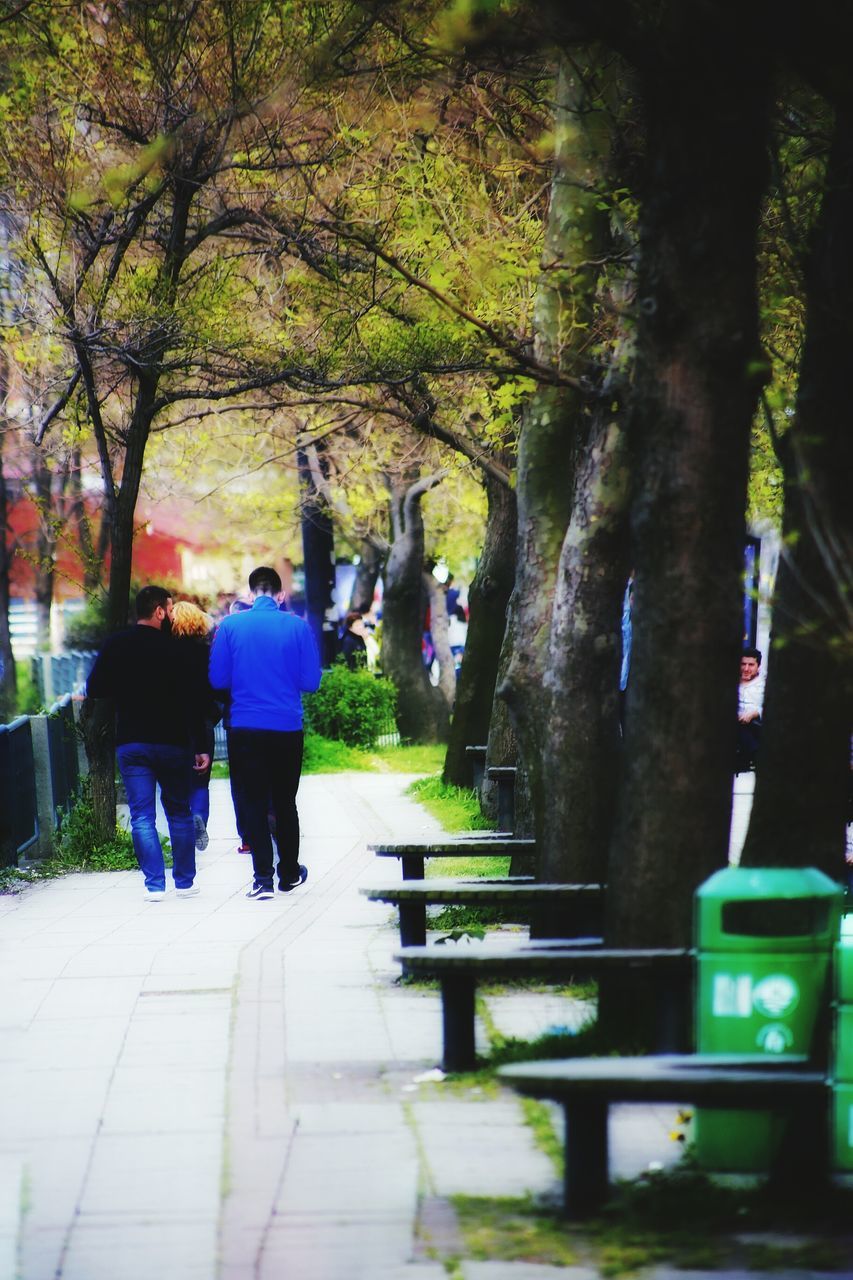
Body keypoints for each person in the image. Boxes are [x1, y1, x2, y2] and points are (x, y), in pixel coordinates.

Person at [85, 585, 210, 901]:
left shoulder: (116, 645)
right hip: (173, 742)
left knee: (142, 816)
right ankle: (184, 882)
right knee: (179, 813)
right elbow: (194, 701)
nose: (171, 614)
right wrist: (200, 746)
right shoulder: (177, 648)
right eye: (169, 609)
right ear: (158, 611)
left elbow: (96, 686)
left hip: (132, 741)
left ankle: (154, 885)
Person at [209, 565, 321, 900]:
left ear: (250, 593)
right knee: (285, 801)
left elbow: (217, 680)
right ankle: (289, 872)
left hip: (245, 726)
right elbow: (310, 682)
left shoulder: (229, 626)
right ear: (279, 593)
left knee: (253, 801)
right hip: (287, 725)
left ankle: (262, 879)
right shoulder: (298, 628)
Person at [170, 601, 220, 851]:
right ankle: (199, 817)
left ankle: (183, 829)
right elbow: (216, 689)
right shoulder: (206, 652)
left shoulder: (166, 652)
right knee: (201, 782)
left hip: (173, 725)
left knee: (176, 783)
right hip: (203, 724)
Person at [735, 646, 765, 773]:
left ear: (758, 665)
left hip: (757, 727)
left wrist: (755, 712)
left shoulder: (764, 683)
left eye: (751, 665)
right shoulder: (731, 682)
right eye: (743, 664)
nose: (746, 669)